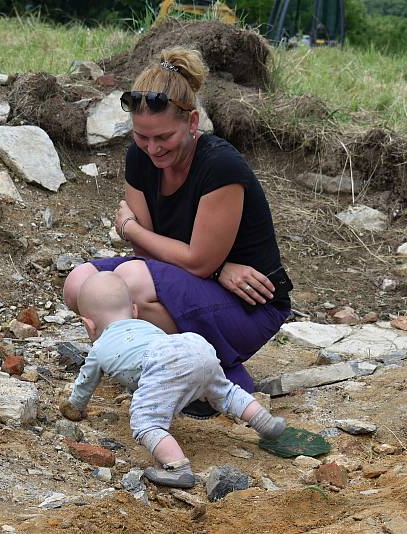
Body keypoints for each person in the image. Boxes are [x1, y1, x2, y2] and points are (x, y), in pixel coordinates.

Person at [63, 47, 293, 418]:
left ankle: (213, 378)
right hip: (198, 280)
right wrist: (205, 263)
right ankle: (155, 367)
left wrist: (130, 227)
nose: (152, 148)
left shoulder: (220, 165)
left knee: (131, 280)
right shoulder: (140, 156)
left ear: (191, 122)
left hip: (250, 303)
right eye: (142, 137)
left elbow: (193, 262)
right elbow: (149, 252)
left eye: (163, 137)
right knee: (81, 282)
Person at [60, 272, 285, 488]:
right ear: (135, 310)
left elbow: (85, 384)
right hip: (195, 346)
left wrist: (75, 407)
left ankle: (177, 468)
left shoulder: (99, 347)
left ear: (88, 325)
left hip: (164, 361)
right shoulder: (147, 327)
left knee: (145, 422)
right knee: (225, 393)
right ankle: (266, 423)